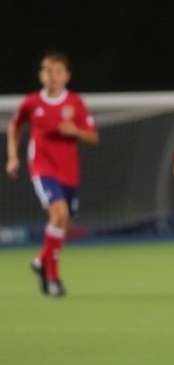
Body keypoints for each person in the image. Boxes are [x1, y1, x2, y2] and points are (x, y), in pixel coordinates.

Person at [5, 51, 99, 297]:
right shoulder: (32, 103)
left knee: (62, 222)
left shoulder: (75, 103)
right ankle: (54, 276)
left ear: (66, 76)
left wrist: (75, 130)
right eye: (48, 71)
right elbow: (14, 127)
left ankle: (41, 261)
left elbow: (93, 136)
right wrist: (13, 156)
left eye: (58, 71)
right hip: (42, 168)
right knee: (59, 213)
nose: (52, 76)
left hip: (69, 172)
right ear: (41, 75)